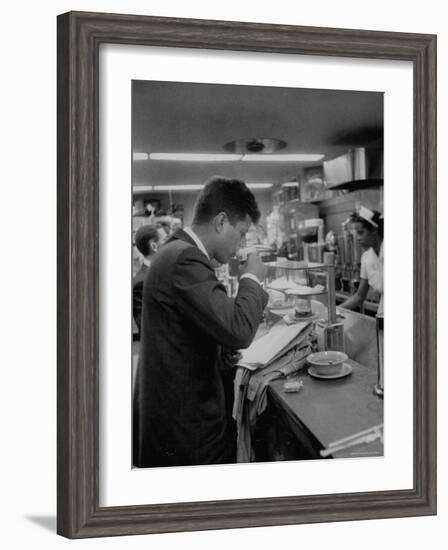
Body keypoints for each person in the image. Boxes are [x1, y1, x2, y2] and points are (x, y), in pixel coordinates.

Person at [133, 177, 269, 468]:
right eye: (241, 233)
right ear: (221, 222)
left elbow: (181, 334)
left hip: (172, 421)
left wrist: (217, 353)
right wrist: (252, 277)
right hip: (187, 434)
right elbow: (238, 329)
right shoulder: (186, 259)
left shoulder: (173, 252)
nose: (241, 245)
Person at [339, 206, 383, 316]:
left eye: (361, 232)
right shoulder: (366, 257)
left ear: (373, 230)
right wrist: (335, 311)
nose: (358, 238)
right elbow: (359, 296)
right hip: (382, 316)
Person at [132, 224, 167, 336]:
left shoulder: (166, 272)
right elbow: (147, 327)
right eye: (165, 240)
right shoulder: (141, 283)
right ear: (154, 246)